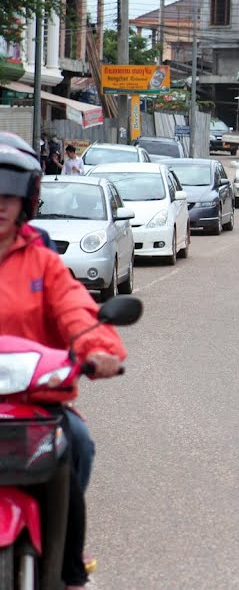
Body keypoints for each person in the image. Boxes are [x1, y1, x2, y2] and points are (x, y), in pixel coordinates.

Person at [0, 136, 125, 590]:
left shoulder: (44, 263)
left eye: (8, 194)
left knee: (76, 442)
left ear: (27, 199)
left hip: (33, 402)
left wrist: (98, 348)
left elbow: (77, 311)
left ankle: (70, 568)